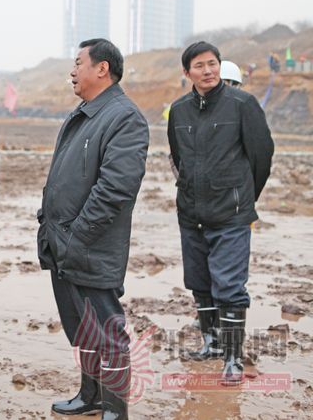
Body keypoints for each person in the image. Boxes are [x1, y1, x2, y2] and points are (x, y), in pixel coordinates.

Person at [38, 39, 149, 419]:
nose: (72, 71)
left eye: (78, 63)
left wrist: (78, 236)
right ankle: (91, 395)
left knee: (106, 331)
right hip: (64, 242)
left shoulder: (124, 117)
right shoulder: (84, 113)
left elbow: (116, 188)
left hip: (91, 245)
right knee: (81, 327)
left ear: (102, 68)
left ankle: (116, 410)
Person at [168, 41, 273, 386]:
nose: (208, 70)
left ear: (219, 65)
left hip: (231, 214)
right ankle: (211, 343)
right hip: (191, 213)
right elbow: (178, 158)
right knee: (199, 282)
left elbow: (261, 155)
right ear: (187, 73)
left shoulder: (242, 104)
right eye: (199, 65)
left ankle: (232, 357)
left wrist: (242, 196)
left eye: (212, 63)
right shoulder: (179, 110)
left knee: (229, 287)